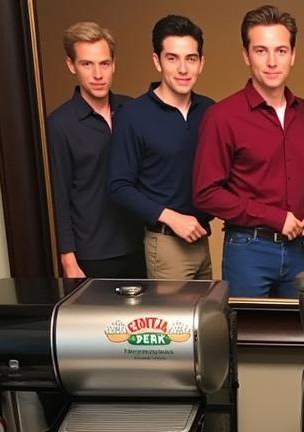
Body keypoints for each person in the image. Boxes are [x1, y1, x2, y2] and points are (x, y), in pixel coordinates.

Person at [193, 6, 304, 297]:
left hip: (300, 251)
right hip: (249, 250)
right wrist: (274, 218)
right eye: (261, 50)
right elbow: (206, 193)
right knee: (247, 336)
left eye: (280, 50)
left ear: (293, 55)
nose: (272, 61)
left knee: (298, 338)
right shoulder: (222, 116)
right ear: (246, 55)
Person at [108, 15, 213, 280]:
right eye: (172, 58)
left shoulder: (210, 111)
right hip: (166, 244)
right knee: (175, 322)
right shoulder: (133, 114)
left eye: (191, 58)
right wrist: (172, 218)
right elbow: (118, 186)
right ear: (157, 61)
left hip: (202, 239)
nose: (183, 68)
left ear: (201, 63)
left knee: (207, 320)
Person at [46, 22, 143, 278]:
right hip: (93, 253)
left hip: (139, 244)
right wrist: (68, 258)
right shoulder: (60, 124)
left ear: (114, 64)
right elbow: (59, 196)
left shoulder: (132, 110)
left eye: (104, 64)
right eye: (87, 64)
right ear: (71, 66)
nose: (98, 74)